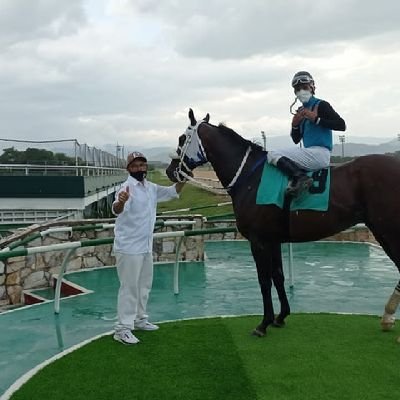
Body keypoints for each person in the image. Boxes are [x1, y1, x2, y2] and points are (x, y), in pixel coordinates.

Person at [112, 151, 185, 345]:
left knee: (144, 285)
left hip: (144, 246)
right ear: (128, 169)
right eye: (135, 166)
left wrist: (183, 178)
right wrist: (121, 201)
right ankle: (122, 329)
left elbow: (173, 192)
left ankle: (140, 319)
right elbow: (116, 209)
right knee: (129, 287)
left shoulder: (150, 188)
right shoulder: (125, 187)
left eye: (142, 165)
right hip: (128, 247)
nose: (139, 168)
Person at [267, 71, 346, 197]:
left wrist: (316, 119)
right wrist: (295, 125)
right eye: (298, 89)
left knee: (272, 154)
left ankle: (300, 178)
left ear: (312, 87)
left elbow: (342, 125)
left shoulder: (321, 105)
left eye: (305, 87)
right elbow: (296, 139)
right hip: (309, 153)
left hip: (320, 153)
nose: (301, 91)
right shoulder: (301, 111)